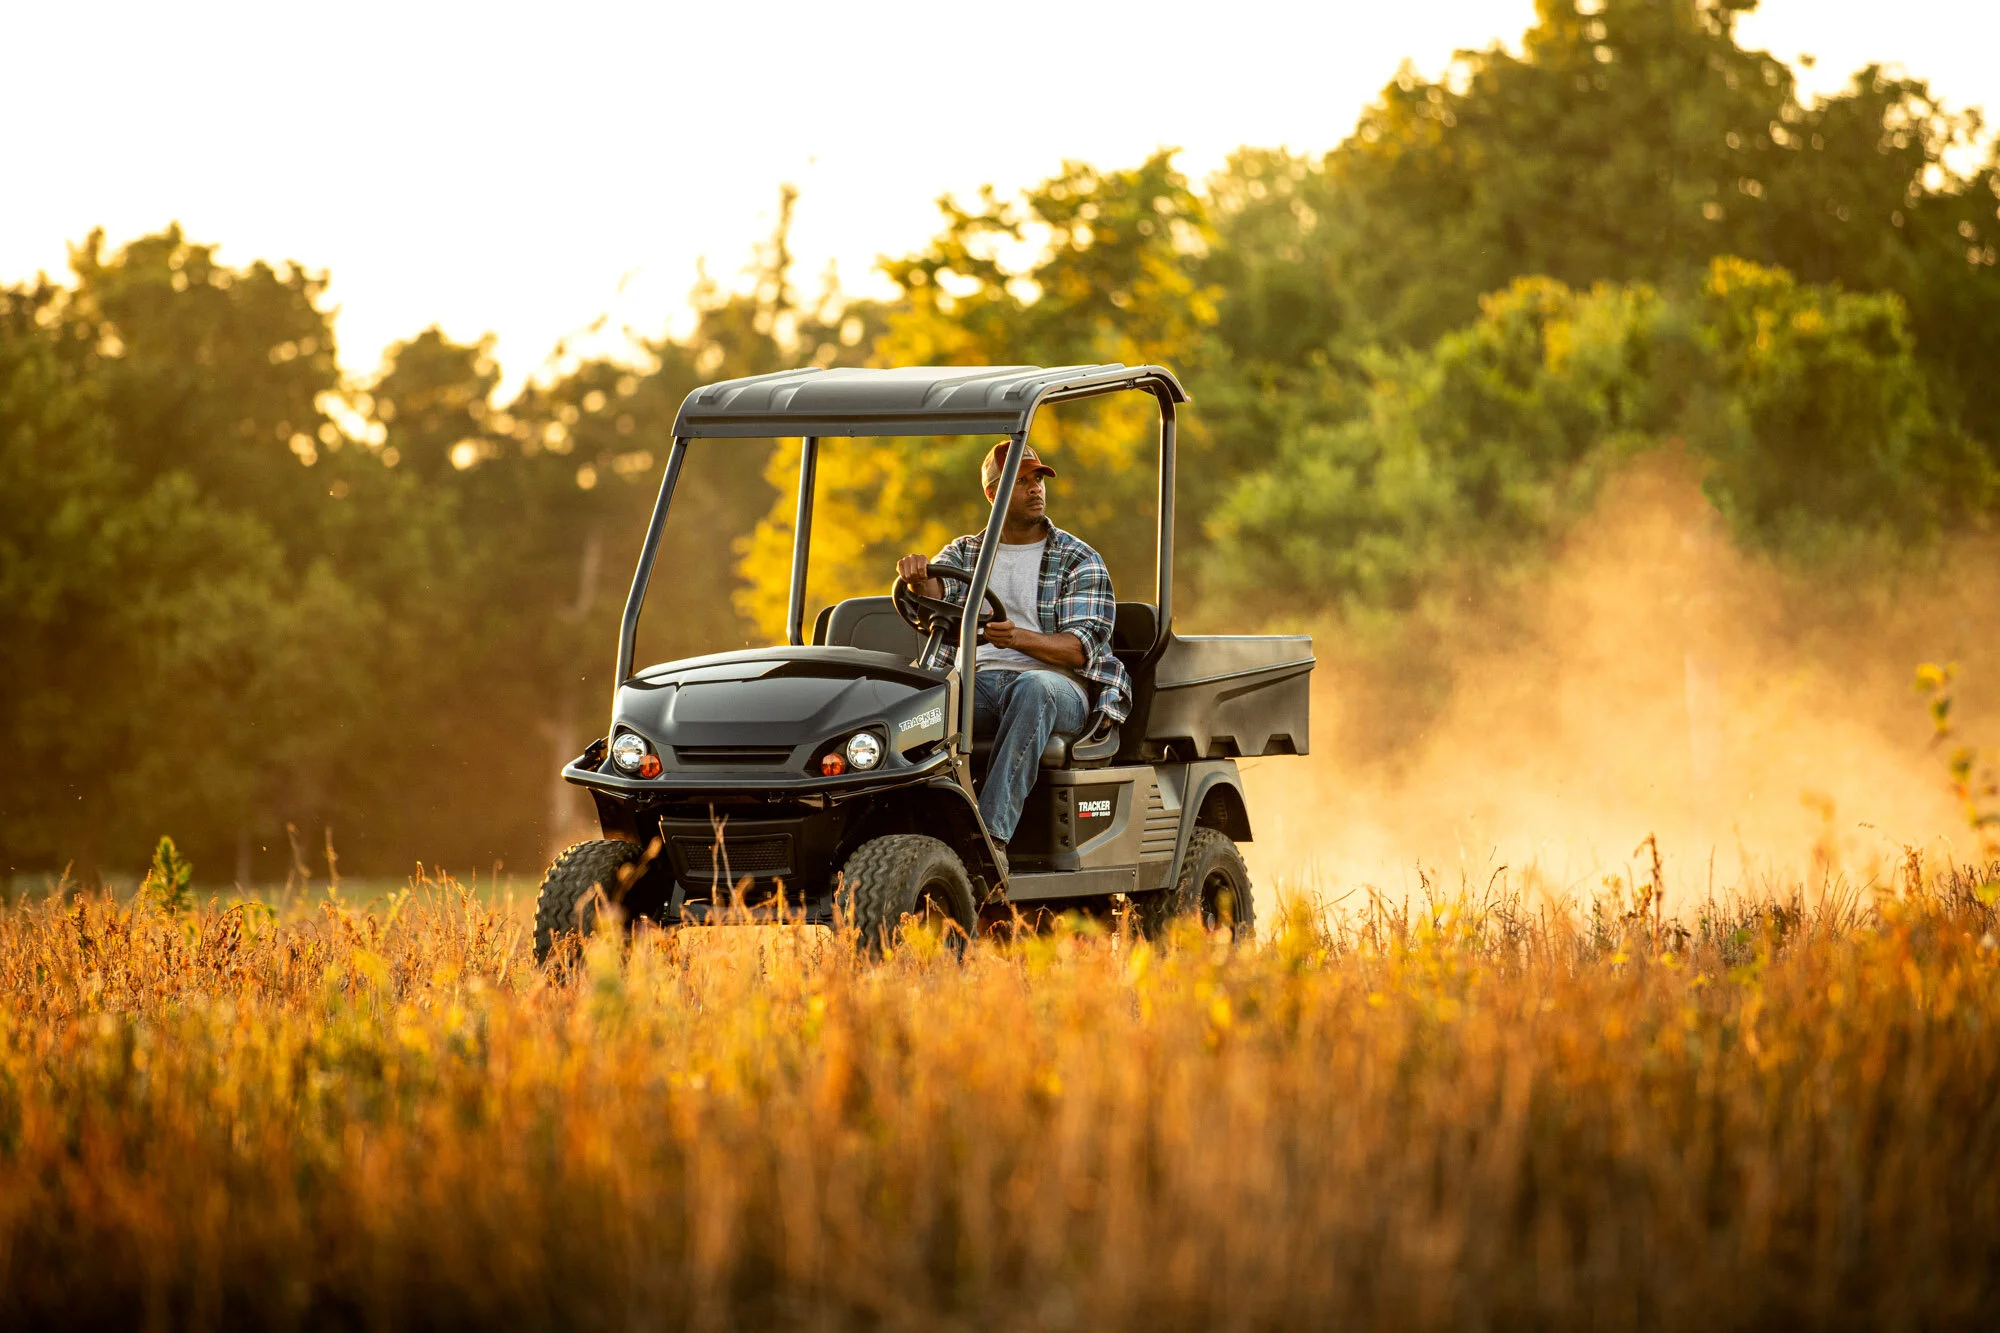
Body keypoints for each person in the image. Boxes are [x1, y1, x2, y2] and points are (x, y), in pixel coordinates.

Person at [895, 441, 1131, 876]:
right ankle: (904, 838)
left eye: (1038, 479)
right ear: (993, 494)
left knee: (1032, 687)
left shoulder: (1079, 558)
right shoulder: (966, 552)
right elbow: (937, 595)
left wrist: (1018, 638)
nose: (1035, 489)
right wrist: (918, 580)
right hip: (980, 684)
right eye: (1021, 482)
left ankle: (989, 840)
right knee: (918, 703)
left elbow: (1080, 648)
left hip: (1060, 688)